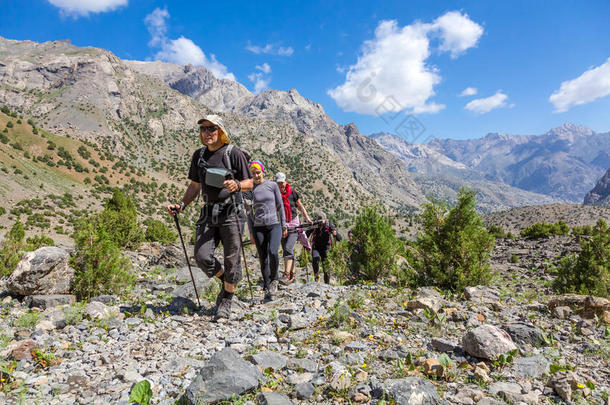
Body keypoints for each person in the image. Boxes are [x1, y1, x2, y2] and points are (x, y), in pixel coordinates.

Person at [167, 114, 252, 320]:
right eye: (203, 129)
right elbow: (195, 186)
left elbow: (250, 182)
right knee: (202, 255)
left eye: (212, 128)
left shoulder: (234, 153)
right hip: (208, 212)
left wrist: (238, 185)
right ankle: (227, 282)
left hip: (232, 211)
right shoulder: (199, 156)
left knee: (232, 258)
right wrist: (182, 205)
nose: (207, 133)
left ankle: (227, 299)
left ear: (221, 131)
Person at [246, 160, 287, 301]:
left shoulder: (272, 185)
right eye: (253, 173)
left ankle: (274, 280)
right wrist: (250, 232)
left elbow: (280, 205)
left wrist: (284, 225)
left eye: (258, 172)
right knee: (263, 257)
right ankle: (267, 284)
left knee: (273, 251)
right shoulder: (250, 190)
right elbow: (249, 214)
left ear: (263, 172)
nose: (256, 175)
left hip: (274, 224)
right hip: (258, 227)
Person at [276, 172, 313, 283]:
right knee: (287, 250)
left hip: (293, 224)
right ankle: (293, 274)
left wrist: (307, 219)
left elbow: (300, 206)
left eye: (282, 183)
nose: (281, 186)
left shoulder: (292, 193)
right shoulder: (275, 194)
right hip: (282, 225)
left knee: (288, 248)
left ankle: (286, 275)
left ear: (286, 181)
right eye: (278, 184)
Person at [308, 211, 341, 284]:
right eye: (319, 222)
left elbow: (339, 238)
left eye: (322, 221)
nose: (321, 223)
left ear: (325, 219)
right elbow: (307, 234)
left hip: (326, 247)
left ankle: (327, 282)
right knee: (315, 259)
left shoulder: (329, 225)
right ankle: (317, 277)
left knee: (326, 264)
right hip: (316, 246)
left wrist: (335, 234)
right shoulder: (315, 224)